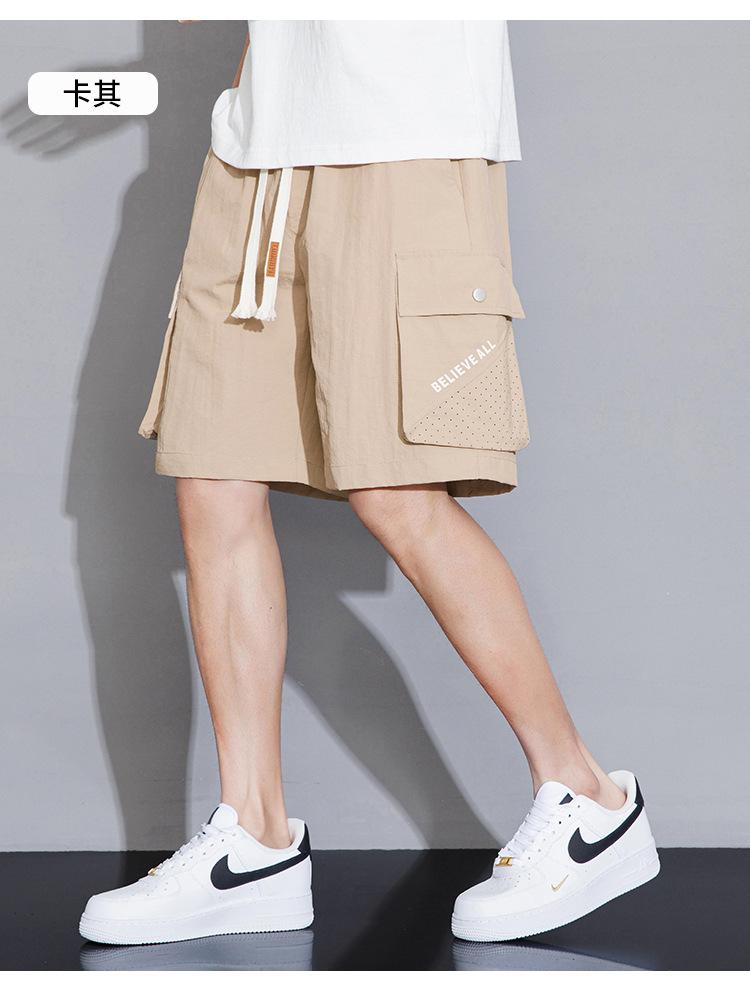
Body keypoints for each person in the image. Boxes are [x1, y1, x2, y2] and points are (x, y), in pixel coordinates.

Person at [79, 20, 659, 947]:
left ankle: (588, 798)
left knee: (398, 489)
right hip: (260, 147)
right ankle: (255, 840)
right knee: (212, 477)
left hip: (402, 136)